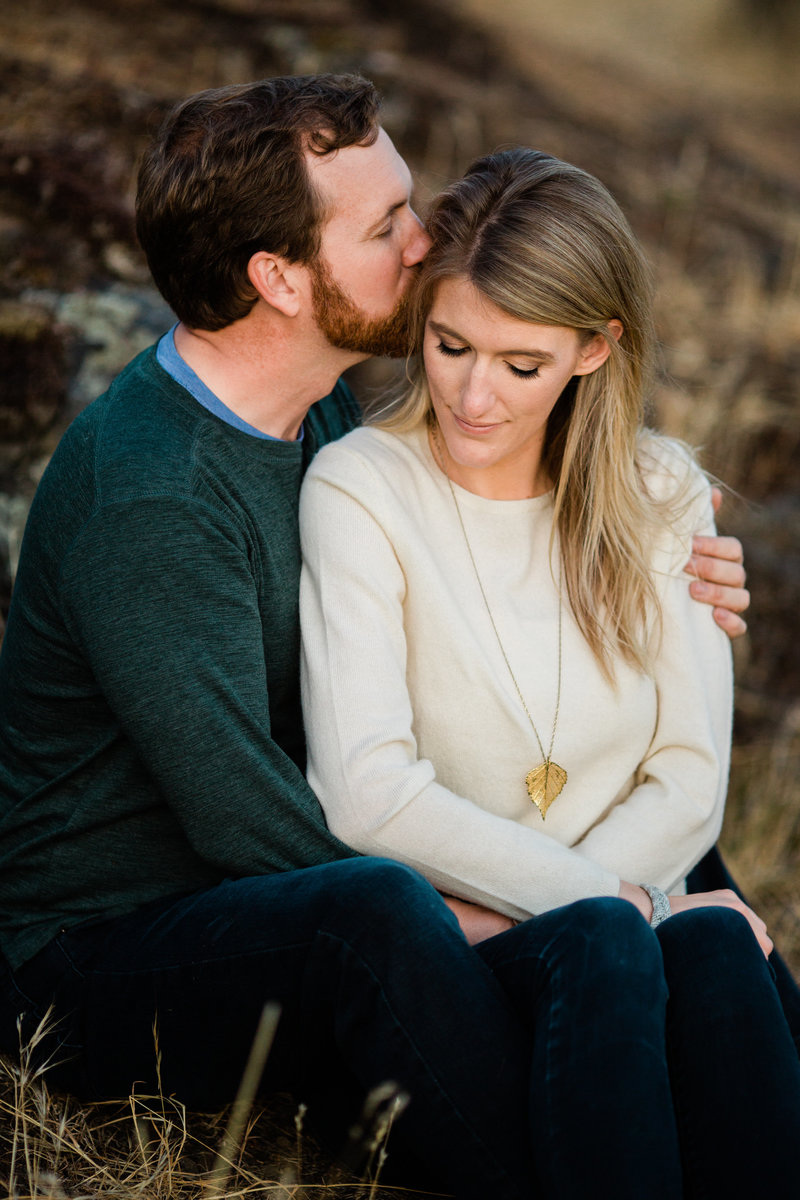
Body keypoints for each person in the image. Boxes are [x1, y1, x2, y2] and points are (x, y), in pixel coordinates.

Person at [0, 75, 752, 1198]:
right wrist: (532, 910)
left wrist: (662, 568)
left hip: (274, 889)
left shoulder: (325, 404)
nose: (423, 241)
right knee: (403, 908)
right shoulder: (153, 493)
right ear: (279, 278)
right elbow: (237, 812)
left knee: (667, 860)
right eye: (385, 223)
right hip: (104, 949)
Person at [299, 146, 800, 1194]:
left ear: (590, 350)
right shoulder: (360, 489)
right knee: (653, 943)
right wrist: (623, 908)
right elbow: (367, 796)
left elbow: (687, 780)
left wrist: (628, 915)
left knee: (716, 957)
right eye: (447, 345)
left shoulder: (658, 488)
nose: (472, 396)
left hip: (618, 936)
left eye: (518, 365)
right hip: (469, 954)